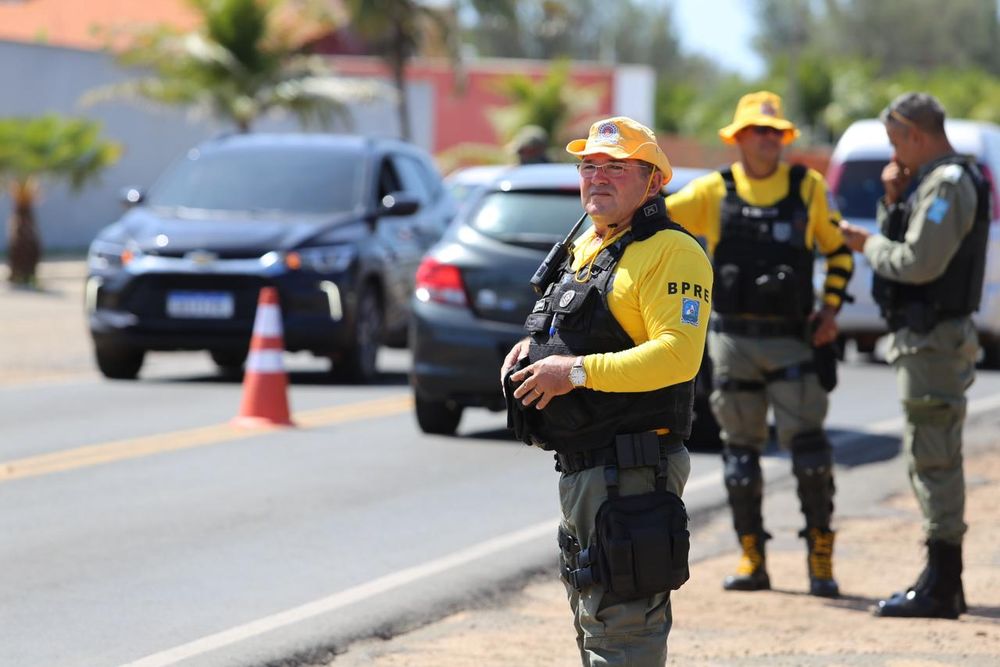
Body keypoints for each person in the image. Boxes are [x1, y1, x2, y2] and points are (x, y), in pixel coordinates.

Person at [500, 116, 712, 665]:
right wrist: (533, 351)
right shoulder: (592, 245)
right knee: (596, 623)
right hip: (587, 470)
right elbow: (576, 327)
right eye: (589, 166)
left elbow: (678, 356)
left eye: (617, 167)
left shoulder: (670, 252)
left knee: (622, 633)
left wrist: (571, 372)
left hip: (632, 473)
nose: (598, 177)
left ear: (653, 182)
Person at [665, 91, 854, 597]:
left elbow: (839, 254)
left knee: (811, 456)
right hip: (734, 340)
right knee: (741, 460)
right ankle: (752, 558)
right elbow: (657, 220)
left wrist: (831, 311)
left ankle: (820, 558)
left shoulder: (807, 187)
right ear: (739, 139)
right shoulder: (714, 191)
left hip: (793, 339)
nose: (768, 140)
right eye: (758, 132)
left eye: (775, 133)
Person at [839, 92, 989, 619]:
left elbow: (918, 262)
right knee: (929, 458)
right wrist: (891, 198)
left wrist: (866, 243)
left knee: (934, 462)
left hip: (934, 344)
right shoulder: (931, 181)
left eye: (894, 141)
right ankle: (942, 578)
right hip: (924, 344)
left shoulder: (948, 183)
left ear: (915, 134)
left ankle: (943, 584)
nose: (893, 152)